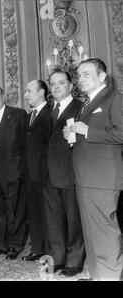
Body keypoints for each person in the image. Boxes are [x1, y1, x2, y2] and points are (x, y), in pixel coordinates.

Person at [63, 58, 123, 281]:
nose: (80, 79)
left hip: (102, 178)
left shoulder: (114, 98)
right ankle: (98, 275)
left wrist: (87, 131)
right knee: (91, 232)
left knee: (105, 232)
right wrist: (73, 136)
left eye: (86, 74)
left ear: (102, 77)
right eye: (79, 75)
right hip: (86, 177)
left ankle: (110, 277)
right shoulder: (87, 103)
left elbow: (121, 133)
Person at [44, 71, 85, 276]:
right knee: (53, 220)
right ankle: (57, 258)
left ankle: (74, 261)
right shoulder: (50, 110)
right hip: (49, 174)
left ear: (70, 86)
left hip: (70, 172)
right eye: (52, 84)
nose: (56, 87)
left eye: (61, 83)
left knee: (74, 219)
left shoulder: (81, 107)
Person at [0, 87, 26, 260]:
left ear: (3, 97)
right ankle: (1, 244)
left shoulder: (17, 114)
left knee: (14, 210)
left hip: (12, 171)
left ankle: (14, 246)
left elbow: (24, 144)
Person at [22, 80, 52, 261]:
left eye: (29, 91)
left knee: (49, 214)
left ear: (41, 92)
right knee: (34, 212)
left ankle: (50, 250)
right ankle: (37, 248)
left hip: (46, 174)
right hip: (29, 174)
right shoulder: (28, 115)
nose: (25, 95)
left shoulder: (51, 113)